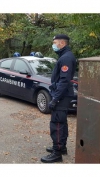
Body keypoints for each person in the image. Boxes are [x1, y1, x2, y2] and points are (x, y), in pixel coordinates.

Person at [40, 34, 77, 163]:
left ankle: (57, 152)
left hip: (62, 95)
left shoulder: (66, 58)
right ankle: (62, 147)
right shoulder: (64, 56)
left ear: (62, 43)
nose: (53, 44)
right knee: (62, 122)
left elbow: (64, 80)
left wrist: (55, 98)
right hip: (63, 94)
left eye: (55, 42)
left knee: (57, 123)